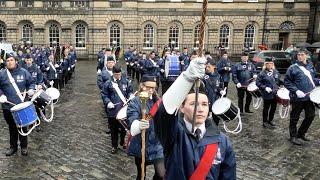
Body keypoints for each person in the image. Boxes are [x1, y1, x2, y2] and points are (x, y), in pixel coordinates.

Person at [153, 57, 236, 179]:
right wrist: (186, 78)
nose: (200, 109)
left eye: (204, 104)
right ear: (181, 107)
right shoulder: (174, 135)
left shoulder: (222, 141)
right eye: (193, 104)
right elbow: (164, 112)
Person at [126, 75, 165, 180]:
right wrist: (138, 124)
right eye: (148, 87)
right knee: (141, 175)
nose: (151, 90)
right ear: (142, 86)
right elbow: (131, 118)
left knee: (161, 174)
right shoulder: (135, 102)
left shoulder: (158, 101)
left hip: (157, 144)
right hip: (141, 143)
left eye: (153, 87)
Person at [0, 53, 36, 156]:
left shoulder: (24, 72)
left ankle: (24, 147)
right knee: (12, 127)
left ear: (16, 61)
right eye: (7, 60)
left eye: (11, 60)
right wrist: (1, 95)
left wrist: (31, 89)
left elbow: (31, 82)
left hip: (21, 106)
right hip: (8, 107)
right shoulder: (2, 73)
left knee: (23, 127)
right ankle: (13, 147)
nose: (9, 62)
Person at [284, 49, 320, 145]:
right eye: (298, 55)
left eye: (302, 54)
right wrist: (296, 91)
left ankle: (301, 133)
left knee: (310, 116)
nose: (299, 56)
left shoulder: (310, 66)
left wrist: (318, 81)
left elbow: (313, 79)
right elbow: (287, 82)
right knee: (294, 117)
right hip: (297, 97)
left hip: (309, 97)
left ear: (307, 55)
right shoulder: (292, 68)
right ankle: (293, 136)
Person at [101, 65, 134, 153]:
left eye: (119, 74)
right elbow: (104, 94)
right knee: (114, 129)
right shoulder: (108, 83)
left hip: (123, 110)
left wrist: (130, 95)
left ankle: (122, 141)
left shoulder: (125, 81)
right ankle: (114, 146)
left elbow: (129, 91)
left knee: (124, 128)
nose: (118, 76)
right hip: (113, 110)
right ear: (113, 73)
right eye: (116, 74)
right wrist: (108, 102)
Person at [256, 58, 281, 129]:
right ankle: (264, 122)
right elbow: (258, 83)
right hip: (267, 94)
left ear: (273, 64)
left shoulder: (276, 72)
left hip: (275, 93)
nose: (270, 65)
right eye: (268, 64)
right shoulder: (262, 73)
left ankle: (270, 120)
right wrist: (264, 87)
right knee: (266, 108)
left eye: (271, 63)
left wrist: (282, 85)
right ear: (265, 65)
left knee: (273, 108)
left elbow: (278, 81)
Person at [203, 59, 224, 125]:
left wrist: (221, 91)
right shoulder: (203, 77)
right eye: (206, 67)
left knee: (216, 118)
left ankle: (215, 130)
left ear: (214, 66)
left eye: (209, 67)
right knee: (205, 118)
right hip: (206, 100)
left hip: (215, 99)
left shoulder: (218, 76)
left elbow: (220, 86)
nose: (207, 68)